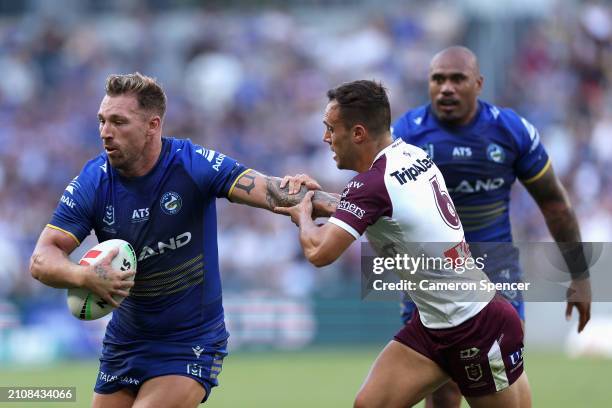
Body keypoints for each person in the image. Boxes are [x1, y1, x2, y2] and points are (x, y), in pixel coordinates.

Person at [29, 72, 338, 408]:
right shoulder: (93, 181)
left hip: (190, 340)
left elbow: (272, 191)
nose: (105, 132)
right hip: (126, 341)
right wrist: (82, 275)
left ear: (152, 125)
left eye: (119, 122)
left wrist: (355, 207)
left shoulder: (193, 165)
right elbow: (42, 258)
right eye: (102, 121)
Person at [277, 79, 532, 407]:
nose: (326, 138)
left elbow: (319, 251)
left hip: (476, 327)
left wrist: (302, 213)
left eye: (330, 128)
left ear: (357, 134)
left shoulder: (370, 185)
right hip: (434, 323)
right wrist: (318, 198)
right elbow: (372, 208)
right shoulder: (410, 155)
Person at [391, 46, 592, 408]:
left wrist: (580, 276)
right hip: (430, 273)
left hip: (494, 268)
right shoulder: (405, 134)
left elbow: (555, 205)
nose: (446, 88)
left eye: (457, 79)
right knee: (443, 382)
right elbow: (374, 200)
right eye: (438, 79)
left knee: (502, 372)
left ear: (479, 83)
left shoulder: (510, 131)